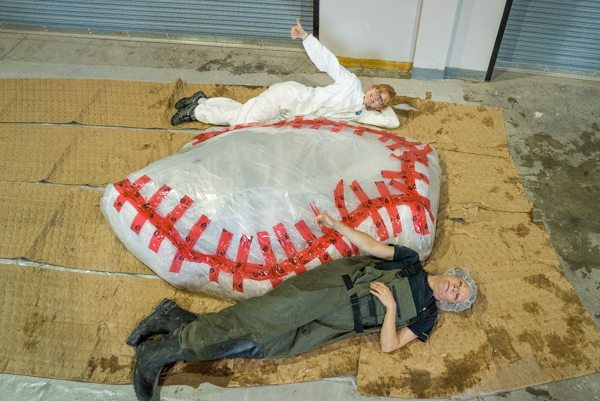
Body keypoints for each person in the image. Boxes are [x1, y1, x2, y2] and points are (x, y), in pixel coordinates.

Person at [128, 211, 477, 401]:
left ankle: (172, 317)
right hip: (330, 290)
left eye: (457, 296)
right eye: (458, 283)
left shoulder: (426, 317)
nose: (453, 289)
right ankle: (157, 354)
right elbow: (373, 247)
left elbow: (389, 345)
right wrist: (336, 225)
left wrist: (389, 311)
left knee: (265, 345)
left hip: (335, 328)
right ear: (453, 274)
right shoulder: (411, 262)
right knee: (256, 323)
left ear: (451, 305)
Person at [170, 19, 400, 129]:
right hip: (289, 98)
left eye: (381, 100)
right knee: (244, 123)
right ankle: (197, 110)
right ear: (372, 87)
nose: (376, 97)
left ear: (380, 107)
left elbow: (392, 121)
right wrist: (306, 38)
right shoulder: (351, 83)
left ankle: (201, 101)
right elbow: (329, 62)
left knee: (242, 113)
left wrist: (385, 107)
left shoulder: (359, 113)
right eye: (378, 91)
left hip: (289, 118)